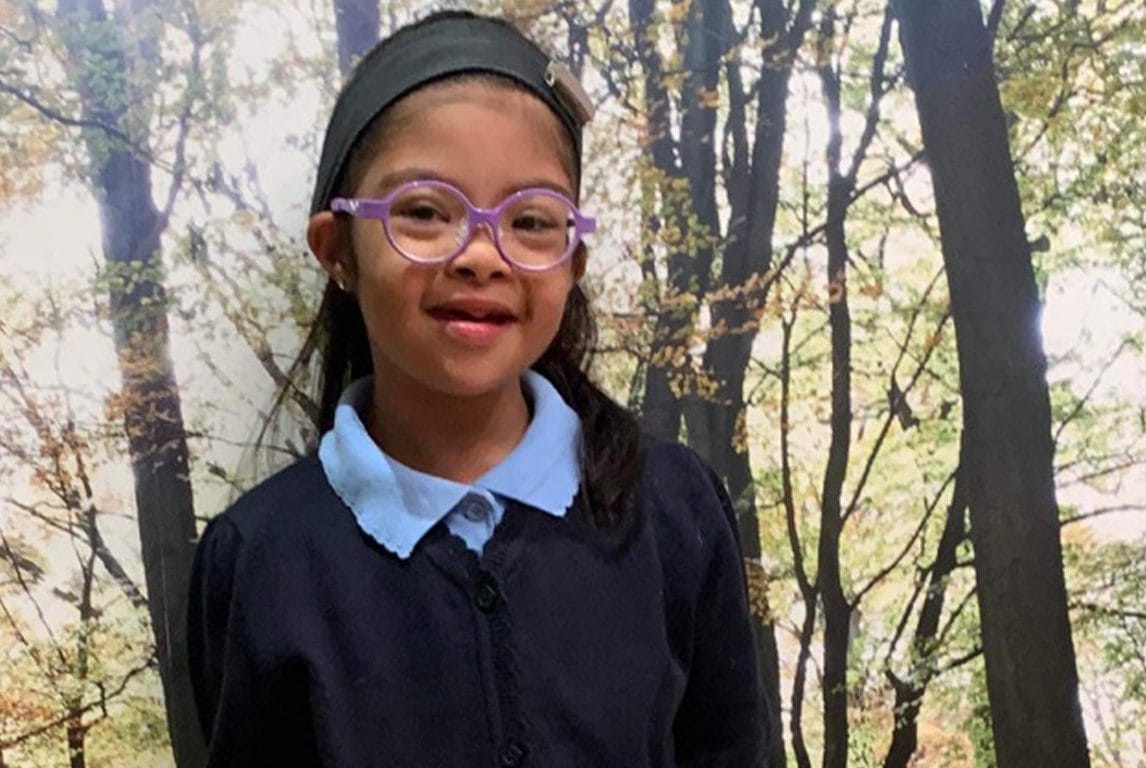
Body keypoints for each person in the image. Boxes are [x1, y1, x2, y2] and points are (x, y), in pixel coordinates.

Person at [187, 10, 767, 767]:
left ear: (571, 264)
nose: (482, 256)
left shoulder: (672, 511)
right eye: (425, 212)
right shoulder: (260, 557)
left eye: (532, 221)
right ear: (338, 250)